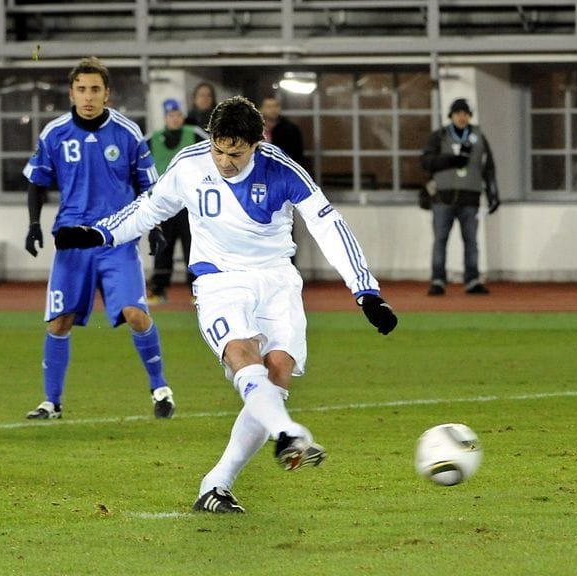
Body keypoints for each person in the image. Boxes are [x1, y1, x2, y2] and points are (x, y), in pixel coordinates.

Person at [53, 96, 398, 513]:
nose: (224, 161)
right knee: (241, 354)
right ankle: (288, 433)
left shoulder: (282, 170)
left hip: (276, 279)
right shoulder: (190, 163)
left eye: (235, 153)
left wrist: (366, 291)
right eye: (218, 149)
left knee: (278, 373)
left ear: (256, 144)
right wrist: (100, 234)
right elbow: (150, 207)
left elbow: (329, 225)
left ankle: (216, 484)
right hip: (220, 281)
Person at [22, 56, 175, 420]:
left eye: (94, 89)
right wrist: (33, 224)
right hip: (72, 242)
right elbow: (37, 181)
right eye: (80, 89)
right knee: (59, 321)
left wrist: (154, 227)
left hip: (116, 238)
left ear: (107, 94)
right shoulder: (54, 134)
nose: (87, 96)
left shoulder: (127, 132)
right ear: (71, 93)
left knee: (136, 313)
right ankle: (51, 403)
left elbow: (148, 186)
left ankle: (161, 389)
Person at [421, 98, 500, 296]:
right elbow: (426, 161)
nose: (461, 117)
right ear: (451, 115)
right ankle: (438, 279)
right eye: (458, 113)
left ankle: (472, 279)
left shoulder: (478, 136)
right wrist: (449, 160)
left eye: (465, 113)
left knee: (471, 240)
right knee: (440, 239)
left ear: (470, 116)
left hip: (470, 196)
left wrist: (493, 193)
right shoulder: (439, 136)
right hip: (443, 197)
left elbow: (488, 167)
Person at [145, 97, 203, 304]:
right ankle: (158, 289)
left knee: (194, 248)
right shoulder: (151, 139)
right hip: (164, 204)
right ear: (165, 118)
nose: (175, 119)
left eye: (178, 115)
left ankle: (197, 289)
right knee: (162, 247)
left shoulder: (195, 135)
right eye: (171, 115)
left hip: (191, 205)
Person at [261, 95, 305, 169]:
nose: (273, 110)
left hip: (283, 169)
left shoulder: (291, 130)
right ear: (261, 109)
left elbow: (297, 154)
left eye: (276, 106)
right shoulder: (253, 129)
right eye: (269, 107)